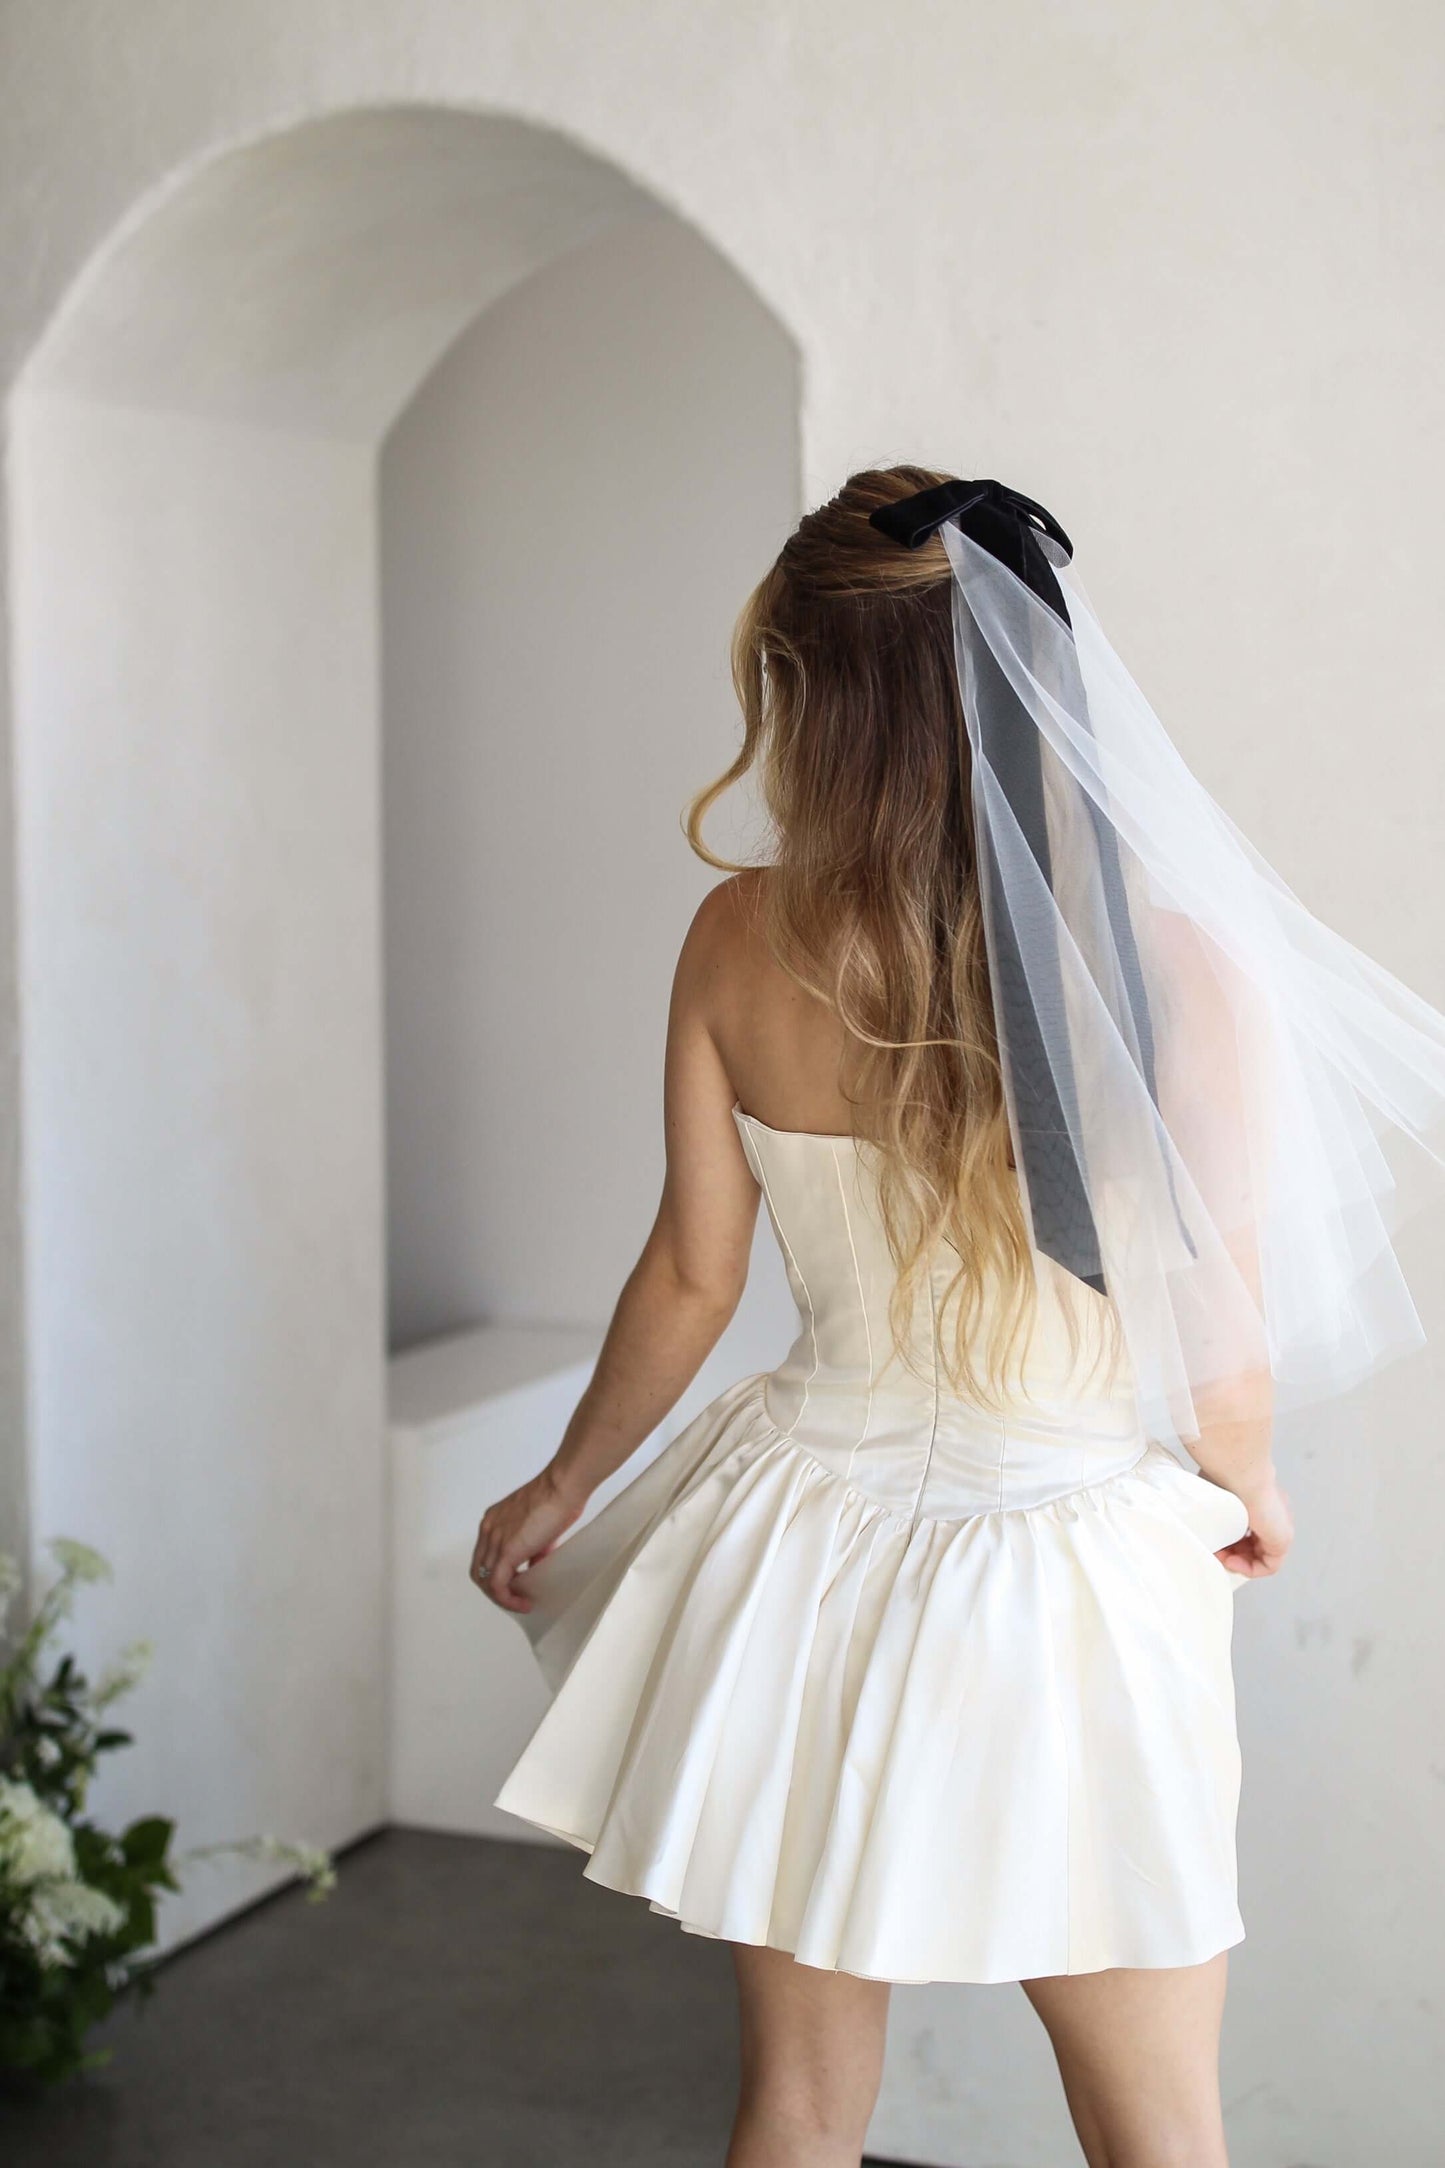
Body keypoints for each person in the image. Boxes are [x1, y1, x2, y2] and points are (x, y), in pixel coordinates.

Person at [474, 468, 1445, 2168]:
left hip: (794, 1549)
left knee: (795, 2099)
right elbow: (1217, 1301)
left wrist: (566, 1481)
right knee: (1155, 2123)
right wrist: (1251, 1483)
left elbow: (694, 1275)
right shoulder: (1166, 965)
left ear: (811, 699)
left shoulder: (733, 939)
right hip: (1064, 1568)